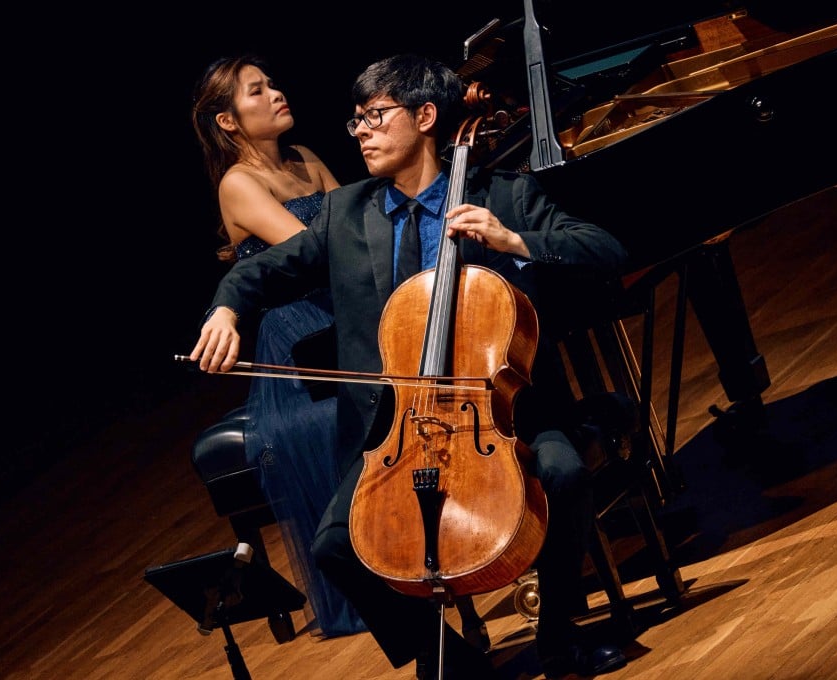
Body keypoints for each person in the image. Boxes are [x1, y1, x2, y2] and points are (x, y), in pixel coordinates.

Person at [190, 53, 629, 678]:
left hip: (504, 415)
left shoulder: (503, 195)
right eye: (356, 120)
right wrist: (226, 311)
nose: (361, 132)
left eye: (375, 116)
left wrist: (514, 241)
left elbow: (605, 249)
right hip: (399, 430)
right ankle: (450, 659)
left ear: (425, 117)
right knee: (334, 546)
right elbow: (258, 272)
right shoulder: (347, 214)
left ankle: (560, 636)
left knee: (563, 474)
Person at [190, 53, 365, 637]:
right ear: (228, 121)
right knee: (349, 414)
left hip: (340, 310)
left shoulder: (307, 158)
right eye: (256, 91)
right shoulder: (238, 183)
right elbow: (319, 250)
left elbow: (359, 228)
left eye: (272, 84)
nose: (275, 93)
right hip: (295, 333)